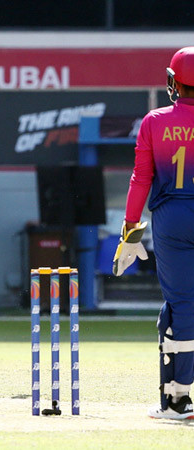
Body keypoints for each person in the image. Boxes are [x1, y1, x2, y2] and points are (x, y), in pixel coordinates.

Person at [113, 47, 194, 419]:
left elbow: (141, 178)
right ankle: (175, 396)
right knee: (179, 307)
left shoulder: (154, 121)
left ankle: (179, 399)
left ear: (173, 82)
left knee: (182, 305)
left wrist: (130, 229)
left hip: (171, 218)